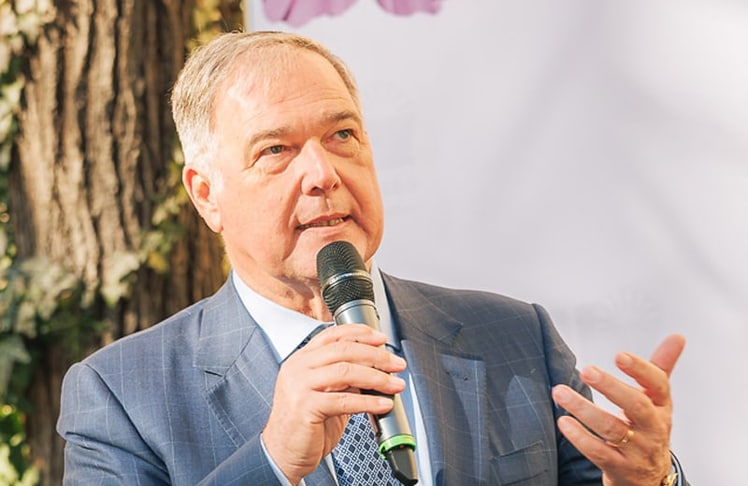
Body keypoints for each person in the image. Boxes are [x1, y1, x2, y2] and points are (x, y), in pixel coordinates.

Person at [57, 31, 688, 485]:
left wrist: (648, 481)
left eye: (342, 135)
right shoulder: (122, 397)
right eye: (276, 150)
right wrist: (273, 460)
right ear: (206, 195)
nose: (322, 173)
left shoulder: (517, 338)